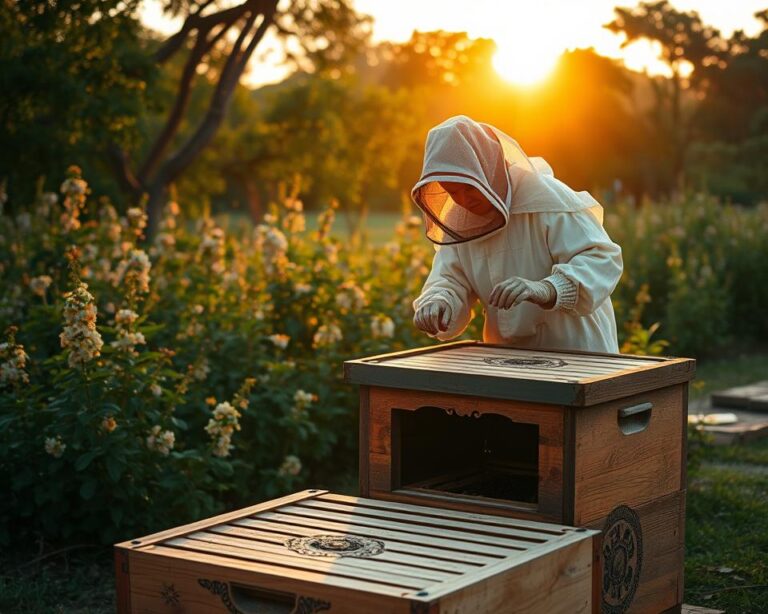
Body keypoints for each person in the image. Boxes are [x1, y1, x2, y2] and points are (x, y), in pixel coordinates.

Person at [411, 115, 623, 353]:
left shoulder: (549, 200)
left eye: (469, 188)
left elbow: (602, 260)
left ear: (488, 169)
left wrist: (548, 289)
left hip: (579, 354)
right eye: (452, 192)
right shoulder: (457, 222)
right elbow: (450, 279)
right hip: (510, 361)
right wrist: (439, 303)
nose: (462, 200)